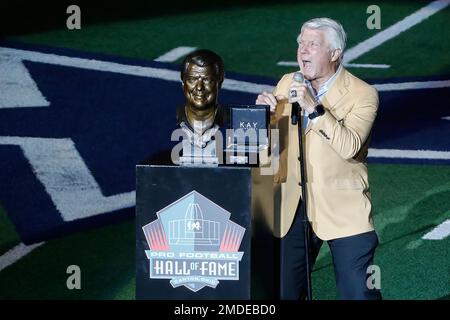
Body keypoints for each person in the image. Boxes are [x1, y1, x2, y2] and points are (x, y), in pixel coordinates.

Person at [256, 17, 381, 300]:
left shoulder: (363, 95)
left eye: (312, 45)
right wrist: (263, 119)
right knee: (284, 292)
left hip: (343, 208)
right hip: (293, 207)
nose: (302, 50)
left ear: (335, 54)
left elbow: (350, 146)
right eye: (301, 43)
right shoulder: (288, 82)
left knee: (358, 292)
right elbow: (275, 149)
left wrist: (314, 107)